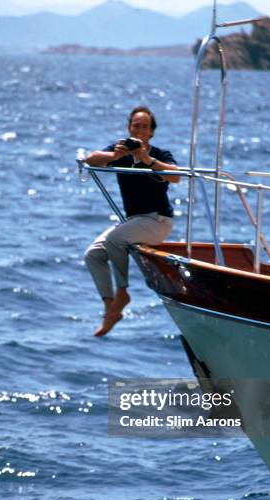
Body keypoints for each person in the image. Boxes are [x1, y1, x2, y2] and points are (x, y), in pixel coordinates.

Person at [85, 106, 180, 337]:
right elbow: (91, 159)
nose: (139, 130)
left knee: (116, 239)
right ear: (129, 128)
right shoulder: (122, 151)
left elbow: (176, 175)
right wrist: (115, 156)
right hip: (134, 221)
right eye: (136, 125)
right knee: (93, 255)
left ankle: (123, 292)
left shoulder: (160, 154)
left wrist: (147, 159)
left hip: (157, 221)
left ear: (151, 132)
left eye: (145, 126)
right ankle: (110, 308)